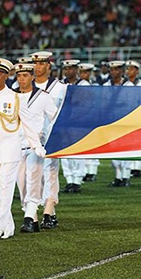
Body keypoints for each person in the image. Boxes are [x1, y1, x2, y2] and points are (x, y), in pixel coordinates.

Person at [0, 57, 46, 240]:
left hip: (10, 148)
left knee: (6, 188)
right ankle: (7, 225)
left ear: (8, 75)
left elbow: (28, 124)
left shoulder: (16, 98)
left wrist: (36, 145)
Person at [13, 62, 58, 234]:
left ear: (32, 77)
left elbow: (54, 118)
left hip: (36, 145)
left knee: (33, 180)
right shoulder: (11, 96)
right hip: (16, 146)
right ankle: (33, 218)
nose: (21, 79)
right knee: (22, 184)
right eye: (18, 75)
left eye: (25, 75)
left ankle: (29, 219)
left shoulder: (43, 97)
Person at [31, 51, 67, 229]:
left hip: (53, 136)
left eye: (41, 63)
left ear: (48, 65)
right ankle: (33, 212)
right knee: (32, 175)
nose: (38, 67)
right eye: (35, 63)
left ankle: (49, 212)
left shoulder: (59, 87)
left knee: (50, 174)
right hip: (31, 139)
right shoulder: (24, 85)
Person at [60, 59, 87, 193]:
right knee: (65, 152)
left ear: (77, 70)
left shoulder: (83, 84)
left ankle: (77, 179)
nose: (68, 71)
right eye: (66, 69)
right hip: (64, 122)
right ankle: (69, 179)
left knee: (78, 152)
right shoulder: (60, 85)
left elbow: (85, 105)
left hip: (78, 122)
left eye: (71, 68)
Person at [124, 60, 141, 178]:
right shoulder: (124, 85)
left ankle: (137, 167)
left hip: (139, 117)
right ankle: (129, 166)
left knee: (139, 143)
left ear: (137, 71)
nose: (129, 71)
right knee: (128, 142)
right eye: (127, 69)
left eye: (132, 69)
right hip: (127, 117)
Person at [78, 63, 100, 182]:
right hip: (83, 117)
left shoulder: (93, 85)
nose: (83, 75)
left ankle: (91, 171)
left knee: (90, 145)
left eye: (85, 72)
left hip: (90, 117)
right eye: (81, 72)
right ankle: (87, 171)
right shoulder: (80, 85)